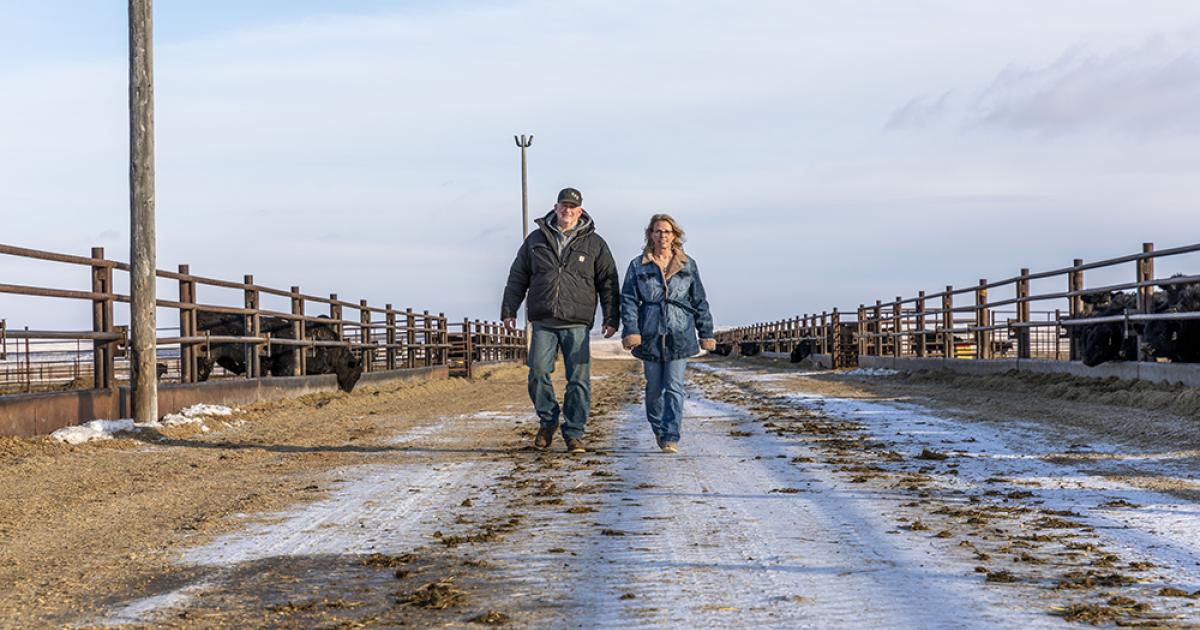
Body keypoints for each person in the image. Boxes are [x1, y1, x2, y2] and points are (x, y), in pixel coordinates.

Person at [502, 187, 620, 453]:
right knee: (538, 372)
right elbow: (518, 276)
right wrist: (509, 309)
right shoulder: (535, 239)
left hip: (577, 322)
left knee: (579, 379)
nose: (568, 211)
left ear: (581, 211)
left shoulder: (595, 244)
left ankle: (574, 432)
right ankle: (548, 421)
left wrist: (612, 317)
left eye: (573, 207)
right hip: (543, 320)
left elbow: (609, 282)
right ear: (555, 208)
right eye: (563, 206)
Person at [620, 214, 715, 453]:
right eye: (658, 231)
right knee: (654, 388)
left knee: (674, 386)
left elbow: (699, 300)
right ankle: (659, 430)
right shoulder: (637, 265)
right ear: (651, 235)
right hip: (650, 333)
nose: (663, 235)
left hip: (680, 332)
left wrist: (706, 331)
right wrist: (631, 330)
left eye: (667, 231)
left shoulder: (687, 264)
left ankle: (671, 435)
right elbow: (629, 300)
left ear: (675, 235)